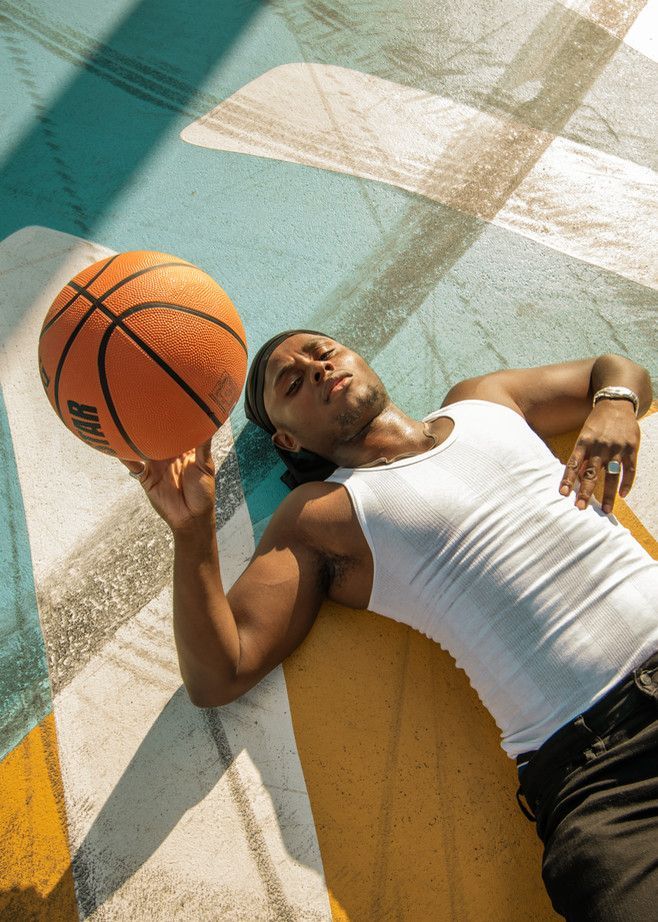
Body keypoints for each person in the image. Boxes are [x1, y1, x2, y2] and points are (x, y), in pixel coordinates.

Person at [123, 331, 657, 921]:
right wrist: (192, 533)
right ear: (287, 439)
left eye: (321, 352)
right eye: (293, 383)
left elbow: (617, 370)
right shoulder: (322, 514)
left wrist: (614, 402)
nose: (317, 369)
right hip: (600, 773)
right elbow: (220, 672)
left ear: (355, 355)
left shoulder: (484, 400)